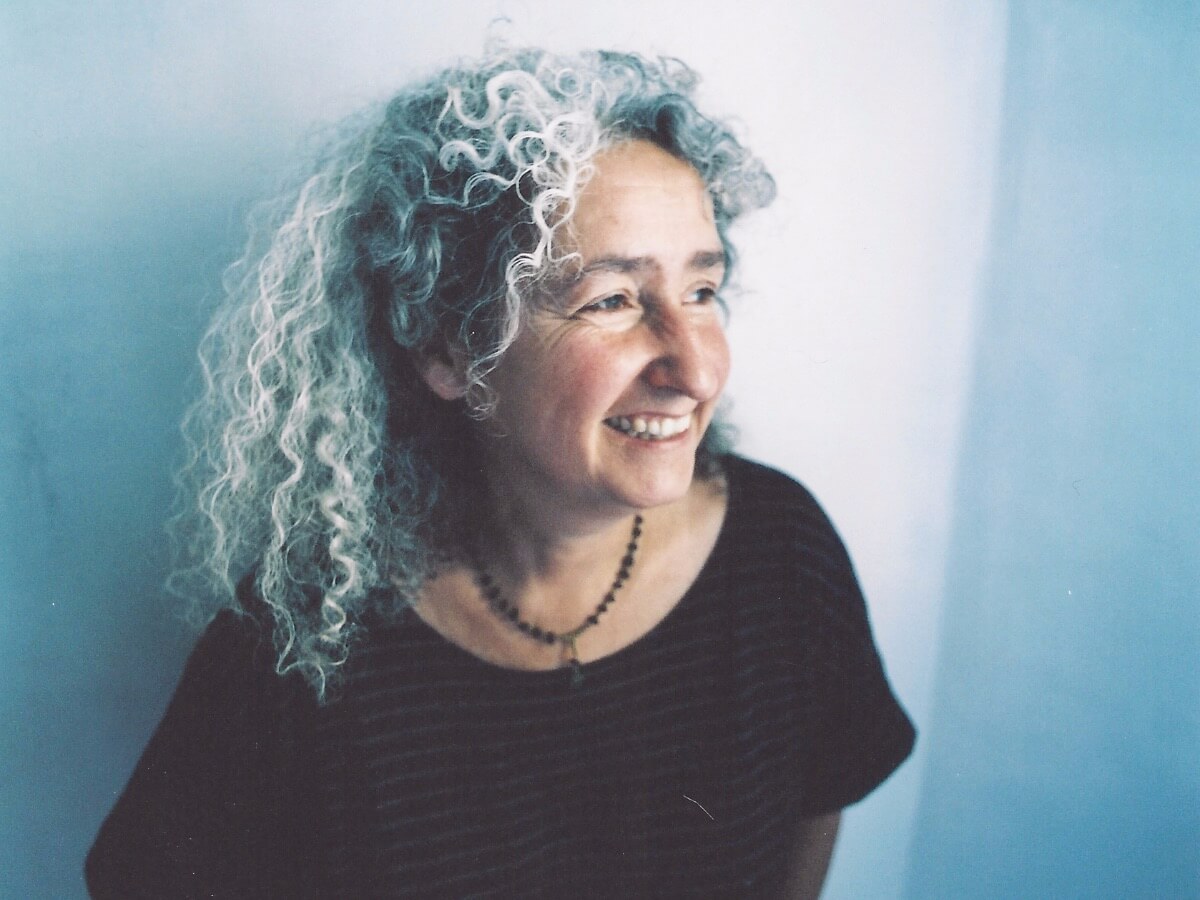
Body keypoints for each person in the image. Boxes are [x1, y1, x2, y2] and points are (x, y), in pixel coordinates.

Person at [86, 46, 914, 898]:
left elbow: (815, 813)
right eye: (613, 301)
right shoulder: (311, 635)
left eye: (702, 292)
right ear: (451, 349)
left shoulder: (781, 556)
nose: (697, 370)